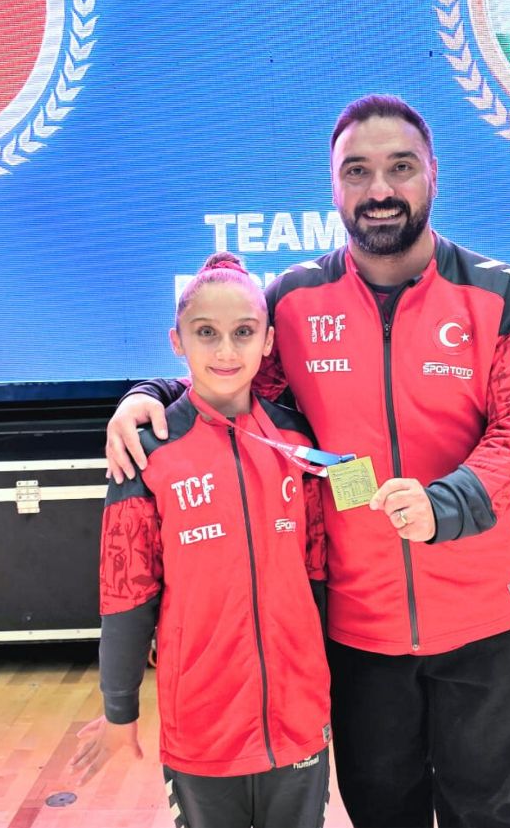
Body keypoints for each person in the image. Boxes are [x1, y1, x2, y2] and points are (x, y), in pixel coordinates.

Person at [106, 96, 510, 828]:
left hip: (485, 618)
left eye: (400, 167)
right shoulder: (293, 300)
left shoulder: (498, 293)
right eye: (357, 171)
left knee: (490, 812)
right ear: (334, 187)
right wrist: (146, 394)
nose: (379, 188)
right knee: (381, 812)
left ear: (433, 174)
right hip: (357, 627)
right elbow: (224, 369)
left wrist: (444, 505)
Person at [71, 253, 333, 828]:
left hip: (300, 721)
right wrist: (119, 711)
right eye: (206, 333)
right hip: (202, 727)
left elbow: (318, 576)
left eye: (244, 332)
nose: (226, 351)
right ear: (177, 342)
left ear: (268, 342)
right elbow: (125, 596)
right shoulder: (146, 453)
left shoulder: (297, 440)